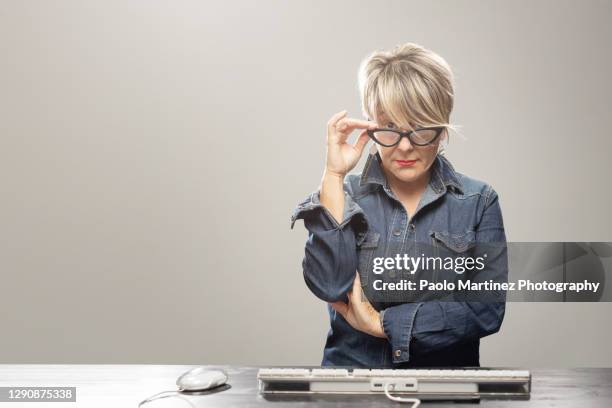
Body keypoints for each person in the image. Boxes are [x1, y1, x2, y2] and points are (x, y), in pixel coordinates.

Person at [291, 43, 507, 367]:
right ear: (369, 125)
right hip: (353, 392)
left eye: (420, 129)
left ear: (443, 128)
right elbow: (329, 285)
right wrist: (333, 174)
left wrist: (383, 325)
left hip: (444, 393)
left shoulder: (479, 202)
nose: (405, 146)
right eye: (389, 128)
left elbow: (485, 310)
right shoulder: (343, 194)